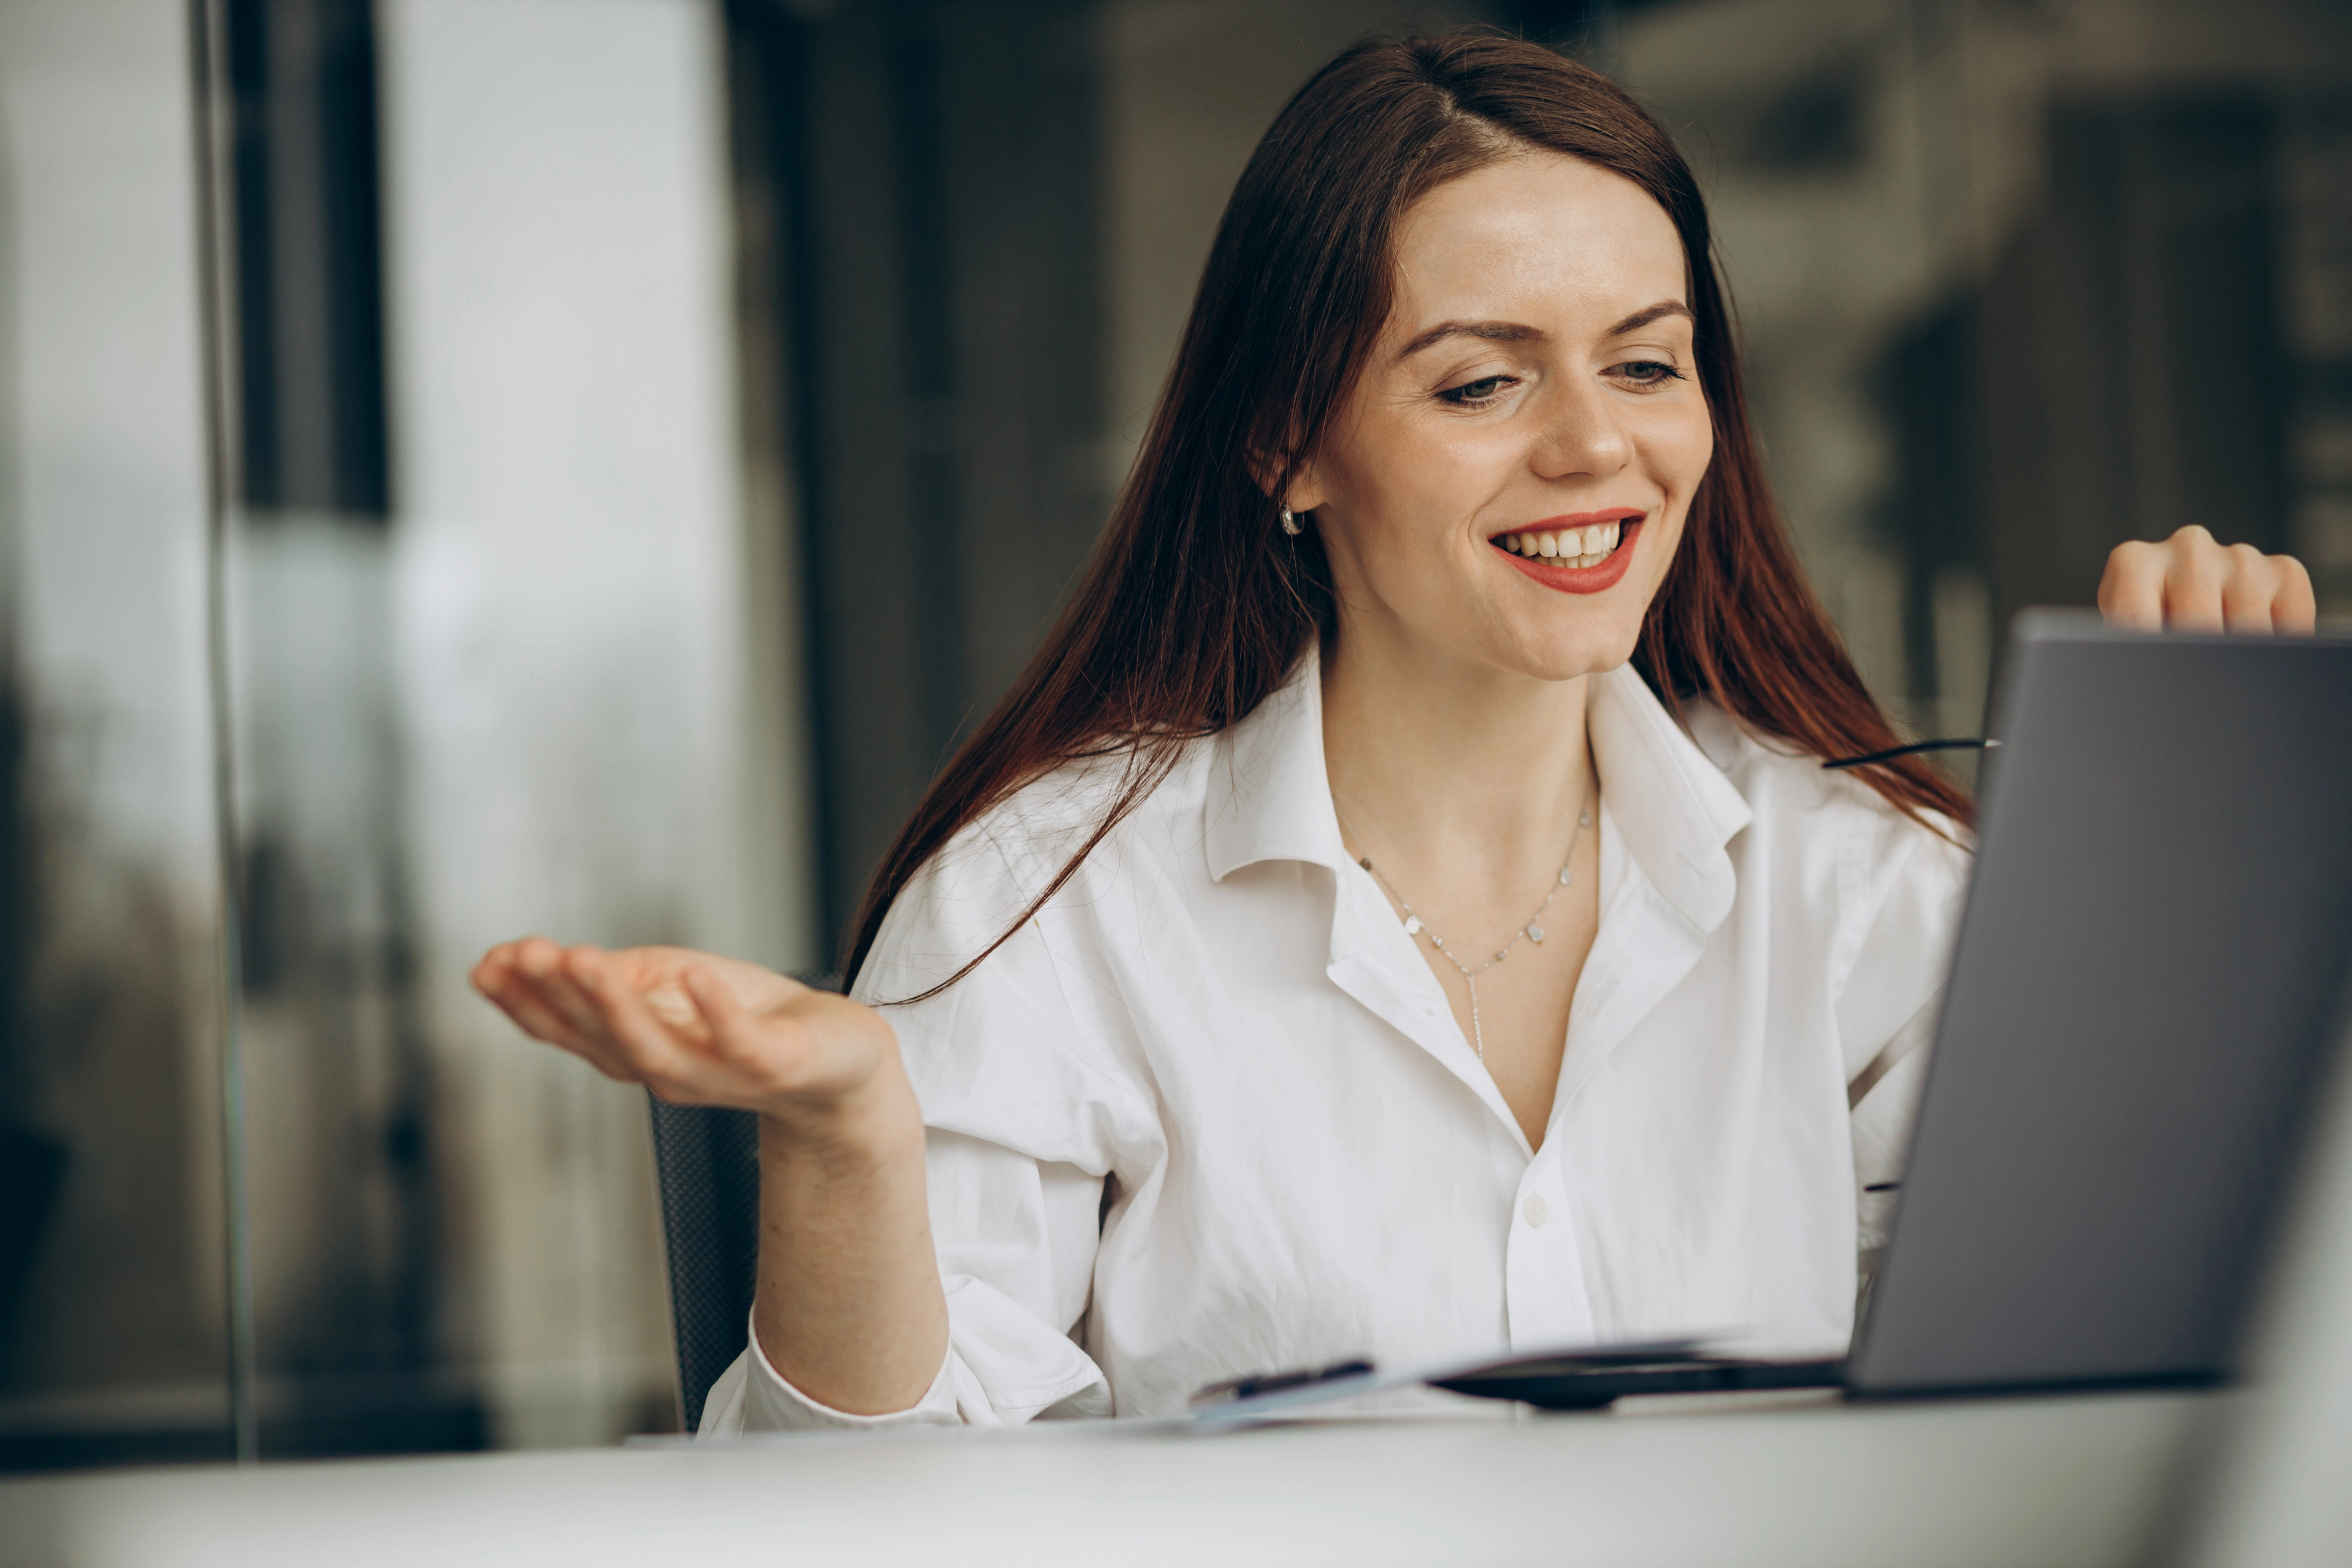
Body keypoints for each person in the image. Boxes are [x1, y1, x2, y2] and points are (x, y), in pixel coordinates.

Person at [472, 33, 2316, 1430]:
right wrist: (856, 1133)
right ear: (1288, 442)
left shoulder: (1860, 889)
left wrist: (2176, 875)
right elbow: (873, 1524)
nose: (1597, 447)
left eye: (1648, 361)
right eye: (1482, 379)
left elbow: (2078, 1412)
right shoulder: (1052, 905)